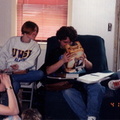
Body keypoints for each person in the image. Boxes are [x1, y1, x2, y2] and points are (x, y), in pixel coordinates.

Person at [44, 26, 105, 120]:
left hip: (83, 78)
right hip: (69, 82)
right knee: (68, 93)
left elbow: (91, 67)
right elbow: (48, 71)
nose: (68, 44)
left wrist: (85, 60)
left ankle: (92, 116)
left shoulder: (78, 47)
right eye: (65, 42)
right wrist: (62, 61)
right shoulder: (55, 52)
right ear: (59, 40)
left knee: (97, 87)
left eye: (70, 42)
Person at [0, 21, 44, 94]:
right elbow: (3, 55)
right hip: (8, 69)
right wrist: (3, 68)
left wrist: (18, 66)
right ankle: (9, 78)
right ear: (26, 32)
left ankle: (9, 78)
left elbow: (30, 62)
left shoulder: (35, 46)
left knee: (40, 74)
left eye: (36, 31)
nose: (35, 33)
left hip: (23, 72)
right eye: (33, 31)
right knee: (15, 84)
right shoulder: (13, 40)